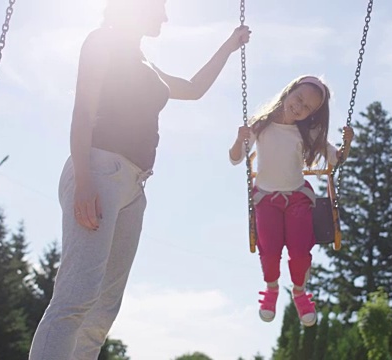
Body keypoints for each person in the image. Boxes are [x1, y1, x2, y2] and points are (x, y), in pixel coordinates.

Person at [29, 0, 251, 358]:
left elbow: (193, 88)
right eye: (158, 8)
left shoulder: (146, 64)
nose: (165, 16)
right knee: (76, 298)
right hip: (98, 171)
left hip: (134, 188)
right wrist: (84, 181)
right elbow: (83, 111)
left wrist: (228, 45)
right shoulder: (102, 41)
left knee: (103, 311)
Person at [229, 75, 354, 327]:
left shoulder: (308, 131)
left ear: (313, 113)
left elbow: (335, 161)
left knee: (299, 251)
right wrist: (238, 138)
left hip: (297, 198)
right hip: (266, 199)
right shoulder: (261, 125)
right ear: (289, 91)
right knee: (269, 249)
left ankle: (299, 293)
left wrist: (347, 145)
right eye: (298, 98)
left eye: (307, 107)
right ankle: (271, 289)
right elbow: (235, 158)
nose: (299, 106)